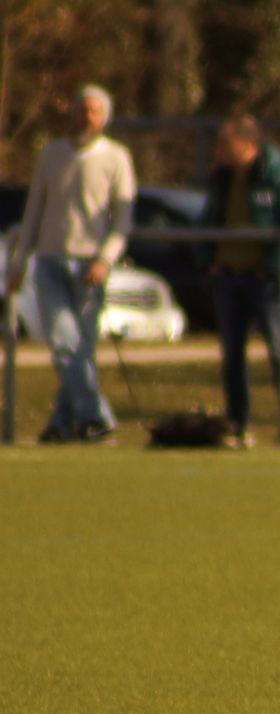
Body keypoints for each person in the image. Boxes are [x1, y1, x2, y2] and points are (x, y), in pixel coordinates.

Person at [6, 84, 134, 445]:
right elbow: (34, 211)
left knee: (80, 350)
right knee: (64, 343)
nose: (85, 117)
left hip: (89, 265)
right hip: (50, 260)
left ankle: (64, 423)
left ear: (104, 118)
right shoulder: (51, 155)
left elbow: (123, 220)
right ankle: (97, 417)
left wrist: (105, 258)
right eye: (81, 109)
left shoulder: (116, 157)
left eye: (93, 111)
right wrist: (19, 261)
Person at [199, 114, 280, 449]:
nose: (219, 149)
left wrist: (273, 265)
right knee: (232, 356)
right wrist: (210, 264)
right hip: (228, 278)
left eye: (226, 142)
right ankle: (238, 425)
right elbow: (207, 223)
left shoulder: (277, 177)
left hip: (265, 281)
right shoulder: (220, 179)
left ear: (247, 143)